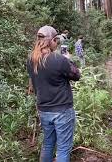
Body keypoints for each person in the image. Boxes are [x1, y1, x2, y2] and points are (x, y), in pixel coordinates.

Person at [27, 25, 80, 162]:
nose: (57, 43)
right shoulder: (59, 60)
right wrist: (68, 59)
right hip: (62, 110)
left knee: (48, 144)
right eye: (56, 40)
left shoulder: (31, 60)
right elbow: (76, 75)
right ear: (50, 41)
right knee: (63, 148)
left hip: (44, 110)